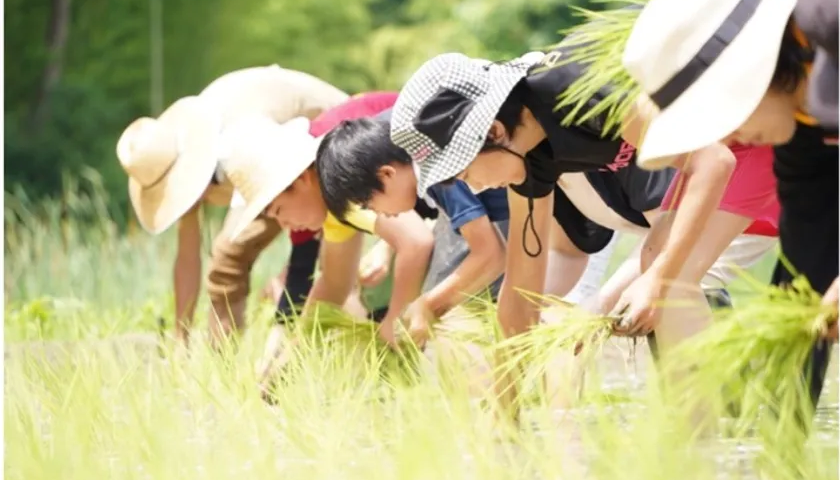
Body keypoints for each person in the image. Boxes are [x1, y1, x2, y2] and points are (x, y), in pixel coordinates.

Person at [315, 117, 778, 350]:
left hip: (730, 197)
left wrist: (431, 308)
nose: (376, 215)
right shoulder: (534, 168)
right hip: (681, 211)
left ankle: (707, 435)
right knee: (641, 300)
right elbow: (554, 258)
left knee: (668, 294)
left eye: (370, 203)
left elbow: (666, 234)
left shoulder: (563, 139)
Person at [612, 0, 838, 408]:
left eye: (720, 117)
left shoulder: (830, 22)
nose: (730, 137)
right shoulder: (797, 131)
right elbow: (804, 285)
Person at [216, 93, 436, 396]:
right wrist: (290, 358)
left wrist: (395, 325)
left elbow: (417, 241)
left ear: (302, 181)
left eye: (280, 212)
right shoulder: (334, 208)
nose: (285, 227)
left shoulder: (344, 184)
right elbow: (333, 283)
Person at [115, 65, 349, 347]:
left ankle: (234, 355)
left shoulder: (237, 142)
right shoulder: (172, 155)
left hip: (333, 144)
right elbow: (187, 256)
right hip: (286, 169)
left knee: (230, 256)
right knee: (226, 263)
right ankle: (224, 361)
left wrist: (299, 264)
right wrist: (181, 336)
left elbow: (295, 184)